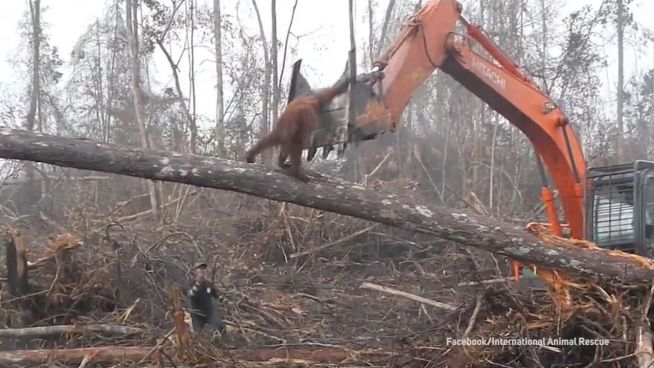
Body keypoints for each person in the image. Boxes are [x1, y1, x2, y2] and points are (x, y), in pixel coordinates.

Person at [187, 262, 225, 338]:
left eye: (203, 270)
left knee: (219, 326)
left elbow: (215, 294)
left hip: (208, 311)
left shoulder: (208, 284)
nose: (202, 272)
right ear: (195, 272)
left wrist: (224, 300)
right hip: (197, 312)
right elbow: (190, 295)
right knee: (198, 332)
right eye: (200, 270)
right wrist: (197, 284)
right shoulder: (191, 283)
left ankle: (218, 341)